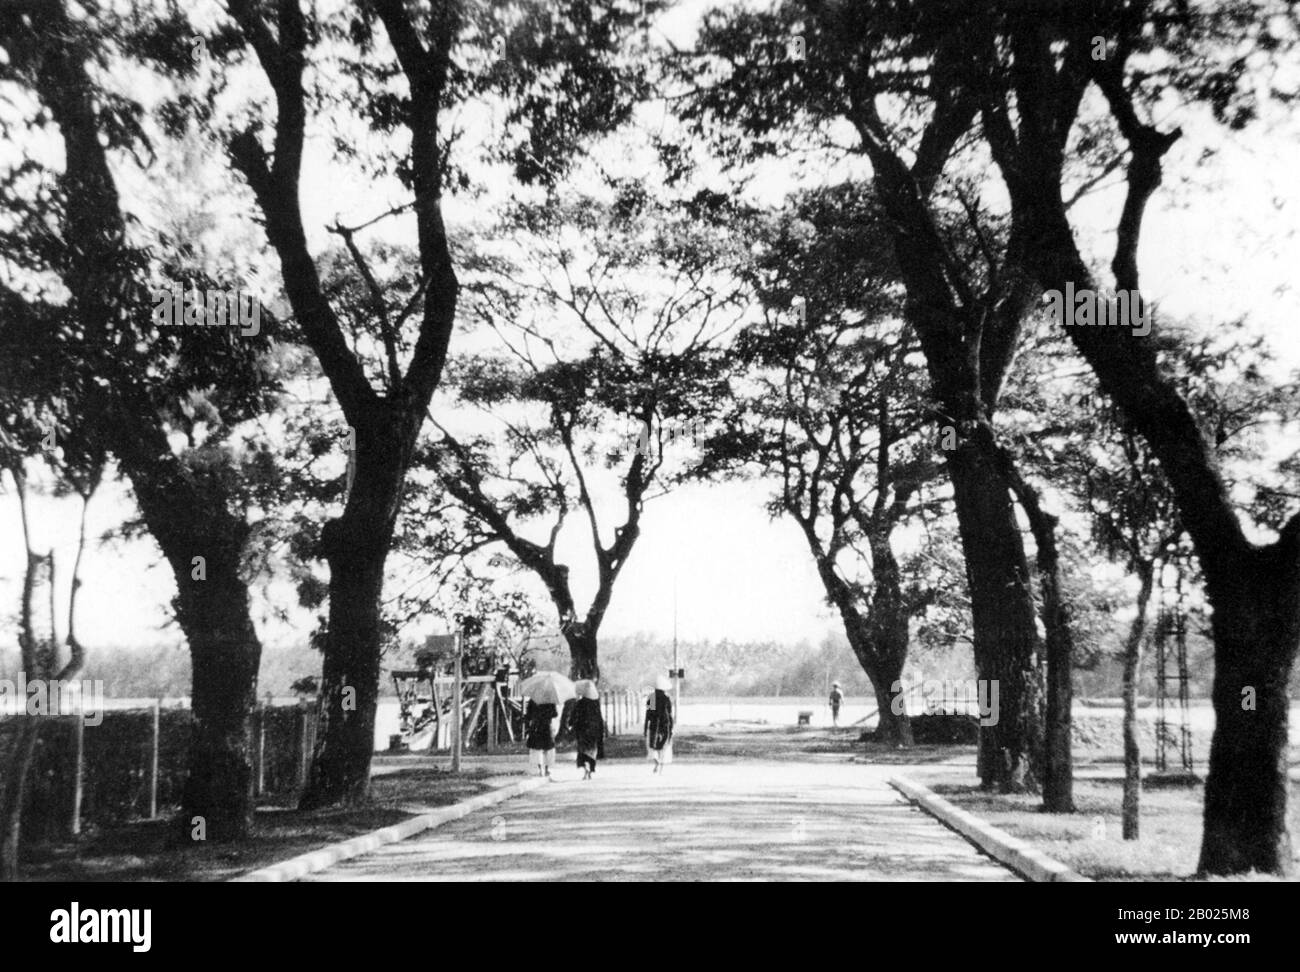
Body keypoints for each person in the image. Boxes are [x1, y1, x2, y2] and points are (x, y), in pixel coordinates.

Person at [571, 682, 606, 780]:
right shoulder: (596, 703)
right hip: (594, 731)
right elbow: (599, 717)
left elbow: (573, 716)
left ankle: (585, 767)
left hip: (582, 730)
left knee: (583, 749)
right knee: (592, 749)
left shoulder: (580, 703)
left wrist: (571, 724)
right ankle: (590, 767)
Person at [645, 675, 674, 775]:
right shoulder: (667, 699)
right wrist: (671, 727)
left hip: (654, 724)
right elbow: (669, 714)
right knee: (664, 745)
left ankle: (656, 761)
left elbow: (648, 714)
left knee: (653, 746)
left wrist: (645, 728)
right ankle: (661, 765)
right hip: (665, 724)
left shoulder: (651, 698)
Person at [524, 699, 559, 779]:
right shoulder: (550, 700)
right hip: (547, 726)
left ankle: (540, 770)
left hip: (536, 727)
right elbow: (555, 714)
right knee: (548, 749)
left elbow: (528, 715)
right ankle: (546, 769)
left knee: (536, 749)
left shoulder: (533, 700)